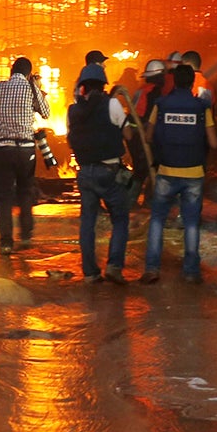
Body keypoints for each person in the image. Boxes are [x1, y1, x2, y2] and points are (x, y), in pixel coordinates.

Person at [141, 61, 217, 284]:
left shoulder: (161, 104)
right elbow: (213, 143)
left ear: (174, 81)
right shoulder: (202, 107)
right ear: (192, 82)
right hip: (194, 173)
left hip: (166, 171)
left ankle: (152, 269)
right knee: (191, 223)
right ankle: (191, 271)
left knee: (157, 220)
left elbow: (148, 136)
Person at [65, 64, 135, 283]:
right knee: (121, 218)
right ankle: (114, 265)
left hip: (85, 173)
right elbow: (129, 135)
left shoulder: (72, 111)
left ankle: (90, 273)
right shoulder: (112, 104)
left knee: (87, 223)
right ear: (103, 85)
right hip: (109, 172)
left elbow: (70, 140)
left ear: (82, 87)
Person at [0, 57, 46, 257]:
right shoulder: (31, 89)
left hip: (3, 149)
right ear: (29, 73)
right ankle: (26, 236)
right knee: (25, 191)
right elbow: (46, 113)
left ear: (11, 71)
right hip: (25, 150)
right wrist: (37, 87)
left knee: (4, 196)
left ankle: (6, 243)